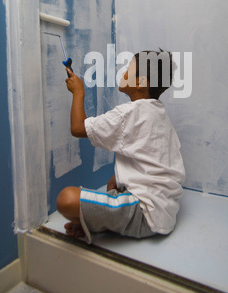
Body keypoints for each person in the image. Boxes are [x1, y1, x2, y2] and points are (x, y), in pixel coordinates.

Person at [57, 50, 186, 243]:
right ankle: (94, 222)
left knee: (66, 199)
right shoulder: (158, 112)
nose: (123, 73)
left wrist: (78, 92)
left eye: (128, 70)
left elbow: (77, 128)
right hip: (165, 208)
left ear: (142, 82)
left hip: (145, 213)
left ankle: (99, 223)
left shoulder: (129, 113)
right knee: (113, 182)